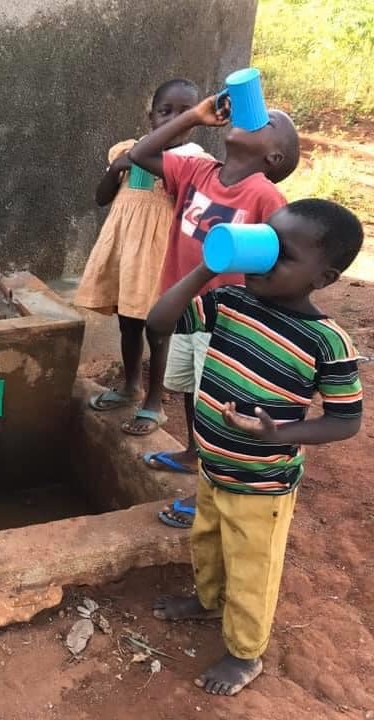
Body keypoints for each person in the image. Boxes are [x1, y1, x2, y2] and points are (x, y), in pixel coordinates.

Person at [149, 199, 364, 697]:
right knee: (207, 542)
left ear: (324, 277)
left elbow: (345, 421)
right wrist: (207, 265)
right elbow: (160, 324)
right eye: (263, 244)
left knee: (252, 567)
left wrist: (280, 435)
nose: (263, 261)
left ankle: (245, 654)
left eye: (280, 255)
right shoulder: (229, 302)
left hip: (263, 481)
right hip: (213, 465)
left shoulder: (328, 342)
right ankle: (207, 601)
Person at [123, 93, 299, 529]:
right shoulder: (197, 170)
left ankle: (209, 491)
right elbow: (140, 154)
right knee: (189, 389)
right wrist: (194, 117)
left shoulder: (265, 196)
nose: (255, 118)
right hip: (184, 307)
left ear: (273, 156)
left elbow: (280, 262)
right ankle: (193, 452)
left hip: (226, 322)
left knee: (219, 403)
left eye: (267, 122)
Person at [77, 79, 209, 413]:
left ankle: (154, 401)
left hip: (159, 255)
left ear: (195, 122)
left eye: (185, 113)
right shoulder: (126, 151)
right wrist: (116, 168)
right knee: (128, 322)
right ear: (150, 115)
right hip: (125, 250)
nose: (172, 120)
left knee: (158, 327)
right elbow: (100, 198)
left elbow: (192, 208)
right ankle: (130, 387)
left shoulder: (193, 162)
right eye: (165, 112)